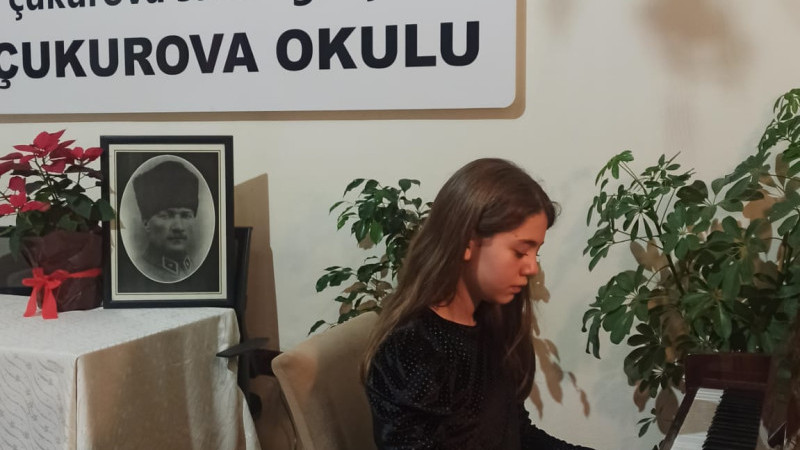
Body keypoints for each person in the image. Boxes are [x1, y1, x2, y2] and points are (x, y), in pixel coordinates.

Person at [364, 158, 594, 450]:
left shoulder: (492, 324)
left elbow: (517, 434)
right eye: (520, 251)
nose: (532, 267)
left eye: (536, 253)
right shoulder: (413, 349)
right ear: (466, 243)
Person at [132, 160, 199, 283]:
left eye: (185, 215)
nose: (178, 227)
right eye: (166, 216)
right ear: (146, 223)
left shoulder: (198, 270)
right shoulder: (134, 273)